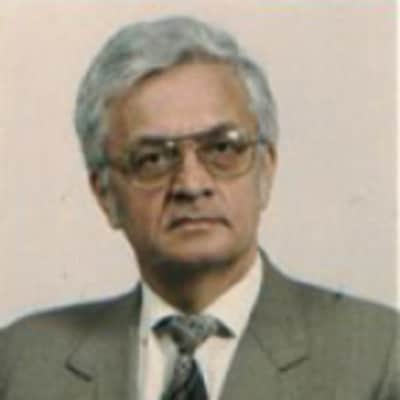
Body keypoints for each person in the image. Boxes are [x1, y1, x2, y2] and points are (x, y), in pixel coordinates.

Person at [0, 16, 398, 400]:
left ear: (265, 171)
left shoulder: (379, 358)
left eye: (222, 148)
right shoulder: (21, 364)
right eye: (153, 159)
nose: (191, 185)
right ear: (104, 194)